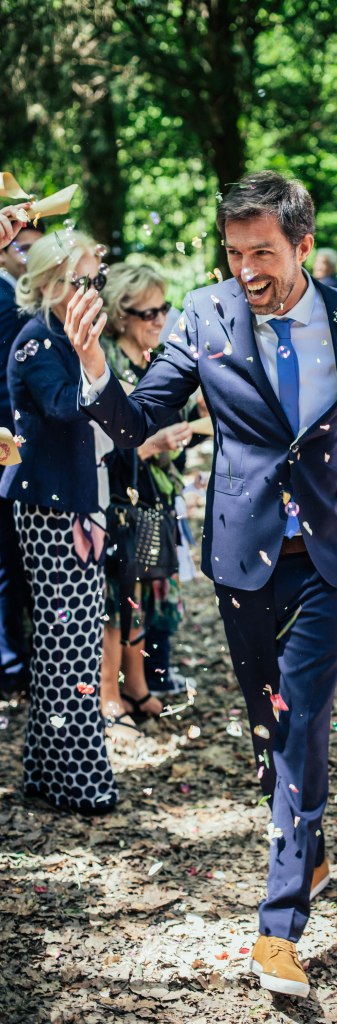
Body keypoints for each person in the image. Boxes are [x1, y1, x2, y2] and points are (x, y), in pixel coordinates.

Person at [64, 171, 337, 998]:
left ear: (302, 246)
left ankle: (278, 929)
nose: (246, 269)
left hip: (326, 555)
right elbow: (140, 421)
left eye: (263, 252)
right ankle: (305, 847)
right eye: (234, 252)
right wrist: (96, 364)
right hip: (243, 553)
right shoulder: (205, 313)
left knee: (301, 721)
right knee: (266, 728)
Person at [0, 228, 118, 815]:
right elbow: (64, 407)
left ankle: (49, 775)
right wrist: (94, 360)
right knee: (65, 643)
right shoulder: (37, 341)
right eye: (82, 279)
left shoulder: (65, 337)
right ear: (48, 282)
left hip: (75, 501)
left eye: (98, 278)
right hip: (50, 507)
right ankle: (78, 780)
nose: (93, 289)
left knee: (71, 641)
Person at [99, 263, 193, 737]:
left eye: (164, 309)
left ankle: (136, 685)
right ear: (120, 314)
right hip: (114, 497)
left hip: (157, 497)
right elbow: (98, 444)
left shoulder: (159, 361)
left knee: (141, 596)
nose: (160, 320)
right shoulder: (105, 362)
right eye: (148, 312)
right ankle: (108, 693)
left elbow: (186, 428)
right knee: (115, 599)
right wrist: (149, 445)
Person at [0, 206, 44, 695]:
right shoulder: (3, 296)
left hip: (19, 443)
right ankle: (11, 665)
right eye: (20, 247)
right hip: (7, 443)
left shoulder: (19, 296)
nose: (28, 256)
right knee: (8, 562)